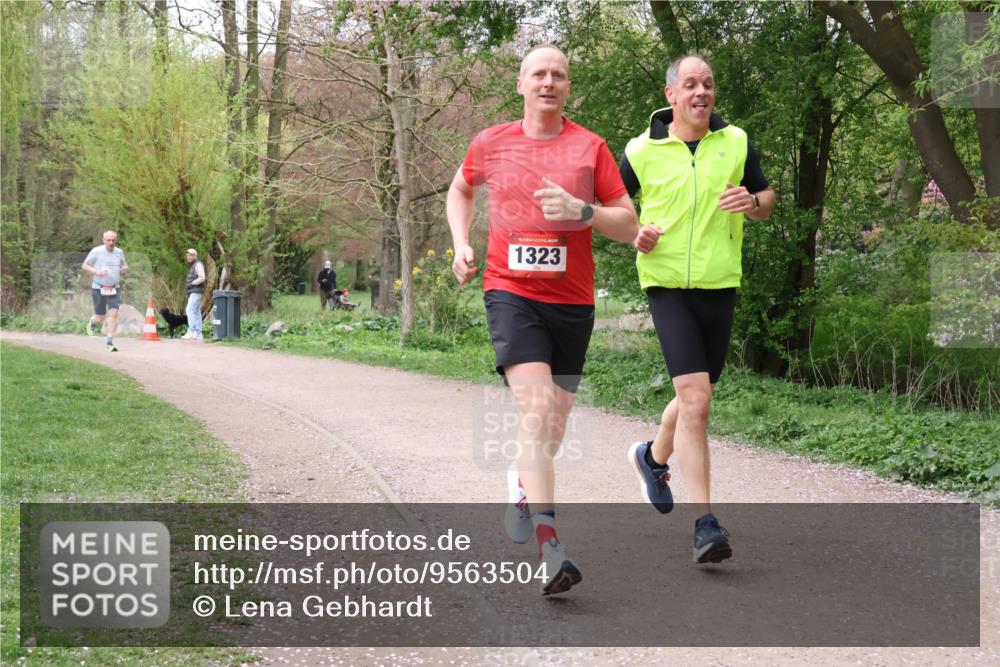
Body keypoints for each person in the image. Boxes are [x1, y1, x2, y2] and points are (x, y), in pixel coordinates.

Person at [447, 45, 639, 595]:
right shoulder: (491, 142)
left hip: (573, 302)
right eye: (539, 74)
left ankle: (522, 484)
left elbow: (628, 224)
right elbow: (460, 189)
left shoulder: (589, 147)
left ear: (567, 87)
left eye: (558, 75)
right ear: (521, 84)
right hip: (510, 292)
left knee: (550, 427)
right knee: (534, 409)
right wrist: (462, 244)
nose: (548, 82)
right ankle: (551, 548)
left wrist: (584, 213)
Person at [620, 54, 775, 563]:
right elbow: (614, 205)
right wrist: (632, 230)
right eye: (690, 84)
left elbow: (767, 195)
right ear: (671, 96)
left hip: (718, 281)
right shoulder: (642, 150)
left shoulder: (736, 142)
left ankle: (652, 456)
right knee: (697, 401)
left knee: (698, 396)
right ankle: (705, 523)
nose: (701, 92)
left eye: (708, 84)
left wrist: (752, 205)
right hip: (665, 284)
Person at [82, 230, 129, 352]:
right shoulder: (96, 251)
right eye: (109, 240)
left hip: (114, 288)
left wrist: (123, 269)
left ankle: (109, 342)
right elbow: (85, 265)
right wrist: (96, 271)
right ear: (104, 241)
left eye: (113, 240)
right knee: (100, 317)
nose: (111, 242)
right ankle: (93, 322)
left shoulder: (119, 252)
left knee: (113, 314)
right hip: (99, 287)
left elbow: (125, 266)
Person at [182, 248, 206, 340]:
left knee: (189, 310)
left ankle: (191, 331)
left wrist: (193, 283)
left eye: (191, 255)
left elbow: (202, 277)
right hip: (195, 291)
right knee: (196, 312)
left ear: (195, 256)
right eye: (188, 255)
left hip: (196, 291)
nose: (189, 257)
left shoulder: (198, 264)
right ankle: (198, 333)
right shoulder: (193, 265)